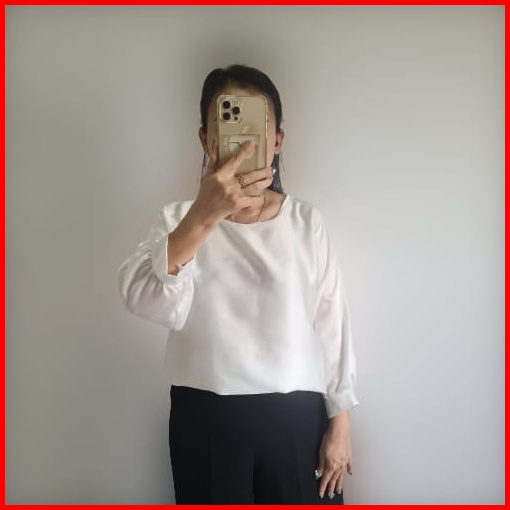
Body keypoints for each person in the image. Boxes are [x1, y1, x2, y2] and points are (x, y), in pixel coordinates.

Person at [118, 64, 359, 505]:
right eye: (228, 123)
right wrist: (203, 216)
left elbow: (332, 323)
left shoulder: (306, 222)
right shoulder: (178, 220)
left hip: (296, 418)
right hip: (205, 416)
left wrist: (340, 422)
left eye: (257, 127)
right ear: (205, 140)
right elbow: (143, 297)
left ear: (278, 140)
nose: (244, 140)